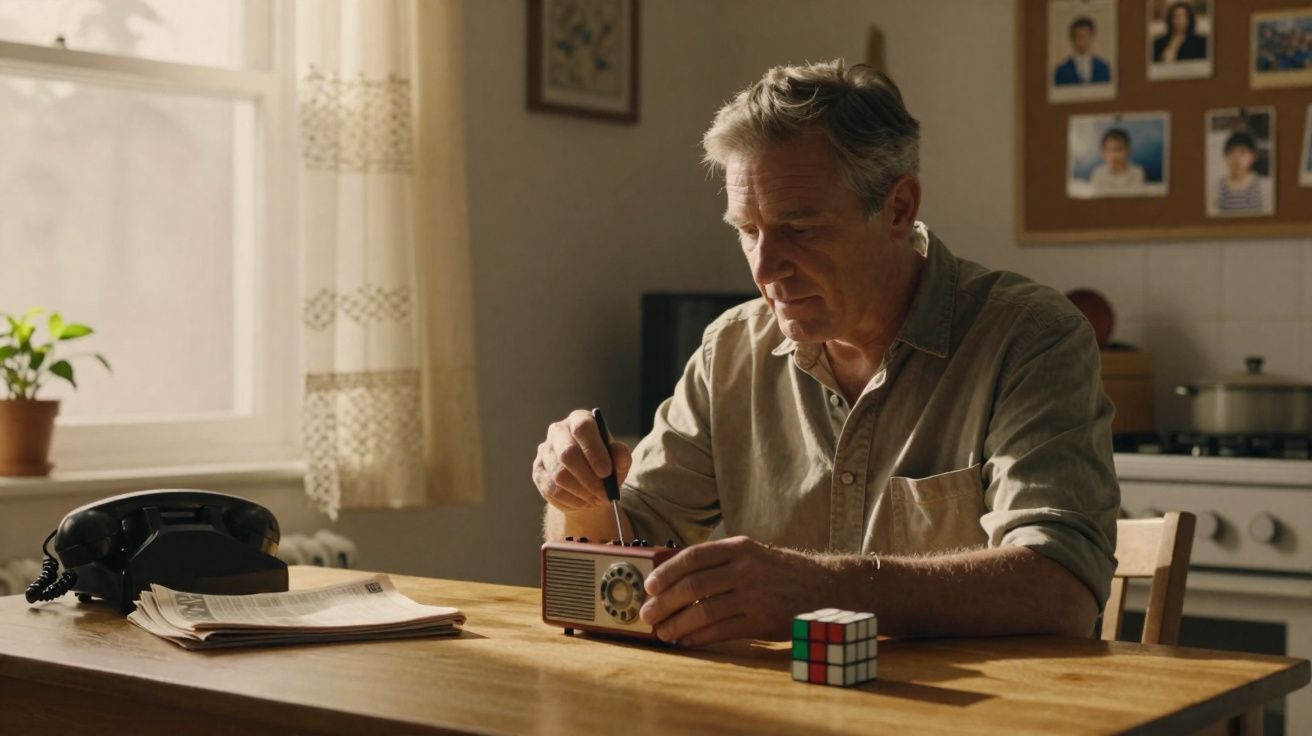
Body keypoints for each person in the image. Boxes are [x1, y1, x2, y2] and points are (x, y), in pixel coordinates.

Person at [532, 60, 1118, 646]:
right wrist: (579, 498)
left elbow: (1061, 587)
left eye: (799, 229)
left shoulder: (1030, 336)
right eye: (747, 230)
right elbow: (619, 552)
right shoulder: (731, 350)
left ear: (898, 209)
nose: (764, 269)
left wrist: (820, 589)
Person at [1215, 131, 1270, 213]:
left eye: (1242, 153)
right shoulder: (1219, 187)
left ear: (1253, 157)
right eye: (1232, 153)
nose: (1237, 159)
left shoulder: (1262, 186)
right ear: (1225, 156)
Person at [1054, 17, 1112, 85]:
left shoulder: (1103, 68)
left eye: (1084, 36)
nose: (1081, 42)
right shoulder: (1061, 71)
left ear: (1092, 37)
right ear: (1072, 39)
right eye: (1078, 37)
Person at [1089, 128, 1146, 193]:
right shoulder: (1098, 175)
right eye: (1109, 150)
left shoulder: (1137, 173)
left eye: (1119, 150)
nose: (1114, 155)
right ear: (1102, 153)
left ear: (1128, 151)